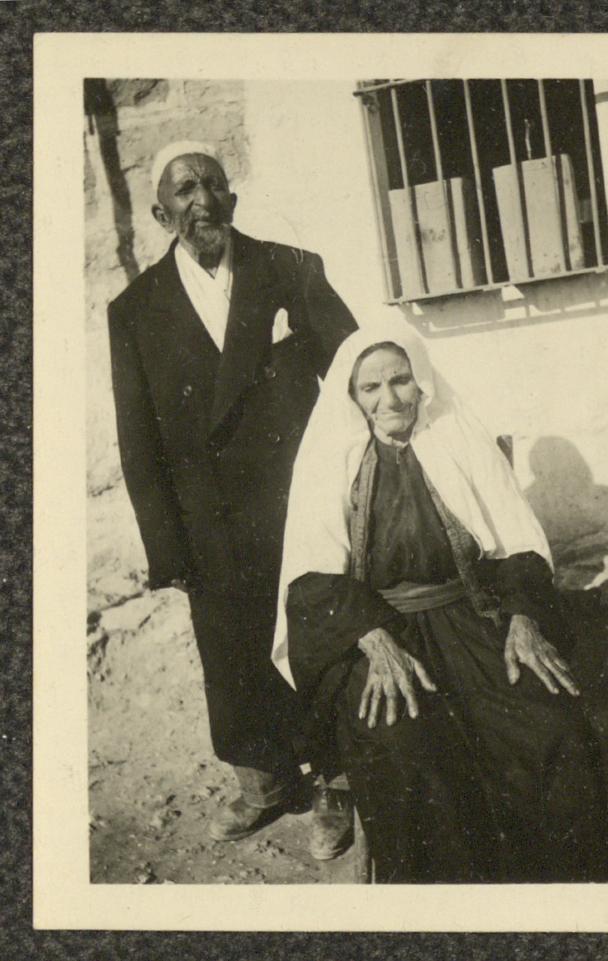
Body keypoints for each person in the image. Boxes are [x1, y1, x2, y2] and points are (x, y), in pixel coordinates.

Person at [272, 321, 608, 883]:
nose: (390, 399)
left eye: (401, 381)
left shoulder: (455, 436)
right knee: (406, 753)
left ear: (421, 382)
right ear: (352, 398)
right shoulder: (332, 459)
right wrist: (374, 639)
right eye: (371, 388)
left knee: (552, 729)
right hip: (376, 632)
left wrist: (524, 618)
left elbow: (519, 541)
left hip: (472, 616)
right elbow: (311, 576)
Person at [107, 140, 357, 852]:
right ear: (160, 213)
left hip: (295, 500)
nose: (202, 201)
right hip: (207, 518)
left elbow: (350, 372)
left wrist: (347, 484)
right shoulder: (133, 309)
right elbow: (138, 442)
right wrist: (166, 545)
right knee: (231, 654)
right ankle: (265, 781)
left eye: (213, 185)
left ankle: (337, 785)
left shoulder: (289, 268)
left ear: (233, 198)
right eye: (183, 191)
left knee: (314, 640)